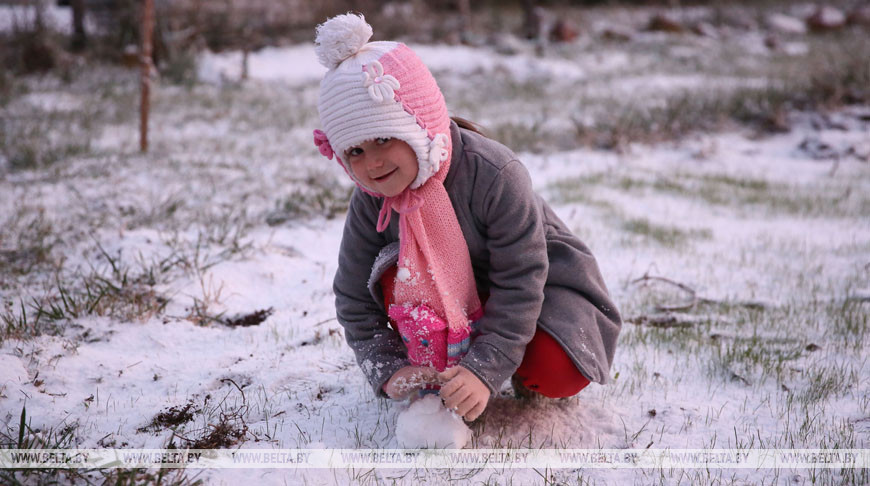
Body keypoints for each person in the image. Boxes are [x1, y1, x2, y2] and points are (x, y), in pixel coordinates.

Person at [312, 13, 622, 422]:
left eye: (384, 139)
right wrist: (388, 369)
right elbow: (352, 295)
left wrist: (485, 368)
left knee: (554, 371)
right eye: (355, 152)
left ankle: (506, 361)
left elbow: (521, 281)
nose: (372, 163)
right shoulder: (372, 198)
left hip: (540, 290)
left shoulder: (494, 175)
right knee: (388, 269)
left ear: (419, 124)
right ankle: (436, 362)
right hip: (456, 299)